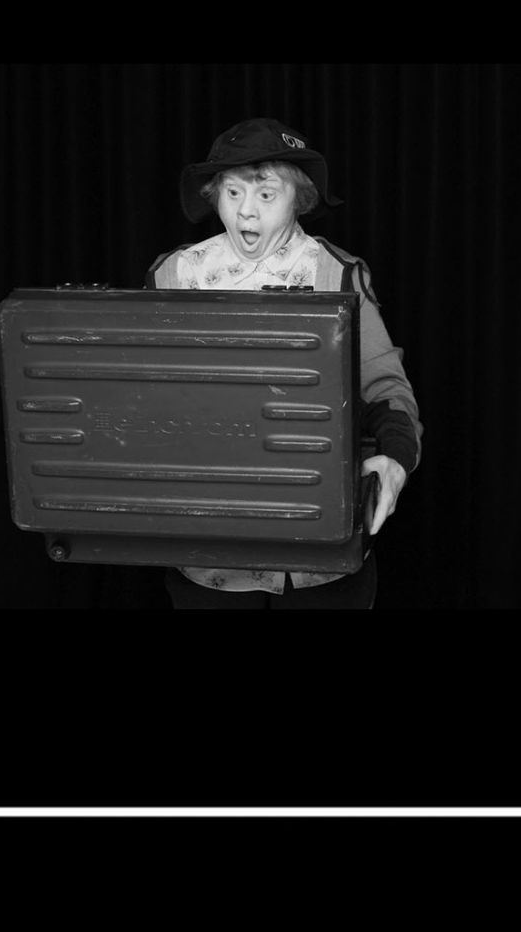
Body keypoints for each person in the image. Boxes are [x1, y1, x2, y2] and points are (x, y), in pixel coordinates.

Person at [146, 118, 422, 609]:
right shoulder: (174, 274)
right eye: (232, 192)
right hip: (209, 554)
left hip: (321, 557)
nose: (245, 211)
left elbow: (385, 389)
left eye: (266, 194)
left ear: (299, 198)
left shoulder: (336, 273)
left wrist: (397, 459)